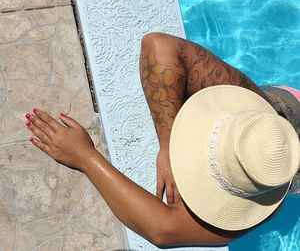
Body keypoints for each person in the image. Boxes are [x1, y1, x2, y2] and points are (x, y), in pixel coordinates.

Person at [25, 33, 300, 247]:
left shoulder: (265, 205)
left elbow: (163, 230)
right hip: (283, 111)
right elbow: (158, 45)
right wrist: (167, 144)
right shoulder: (253, 110)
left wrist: (85, 157)